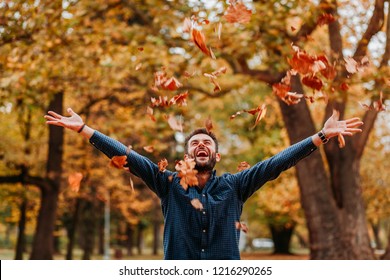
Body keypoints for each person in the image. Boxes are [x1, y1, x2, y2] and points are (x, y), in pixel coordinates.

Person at [44, 108, 363, 260]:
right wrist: (85, 129)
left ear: (216, 155)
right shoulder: (167, 183)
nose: (201, 145)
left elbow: (275, 164)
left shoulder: (236, 186)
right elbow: (130, 158)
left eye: (206, 143)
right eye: (194, 142)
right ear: (185, 155)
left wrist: (320, 136)